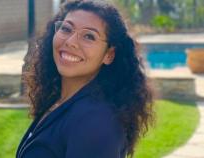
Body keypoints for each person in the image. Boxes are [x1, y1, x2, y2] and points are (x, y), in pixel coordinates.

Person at [16, 0, 154, 158]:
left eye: (89, 36)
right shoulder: (59, 101)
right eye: (66, 29)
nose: (70, 42)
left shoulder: (95, 122)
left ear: (109, 55)